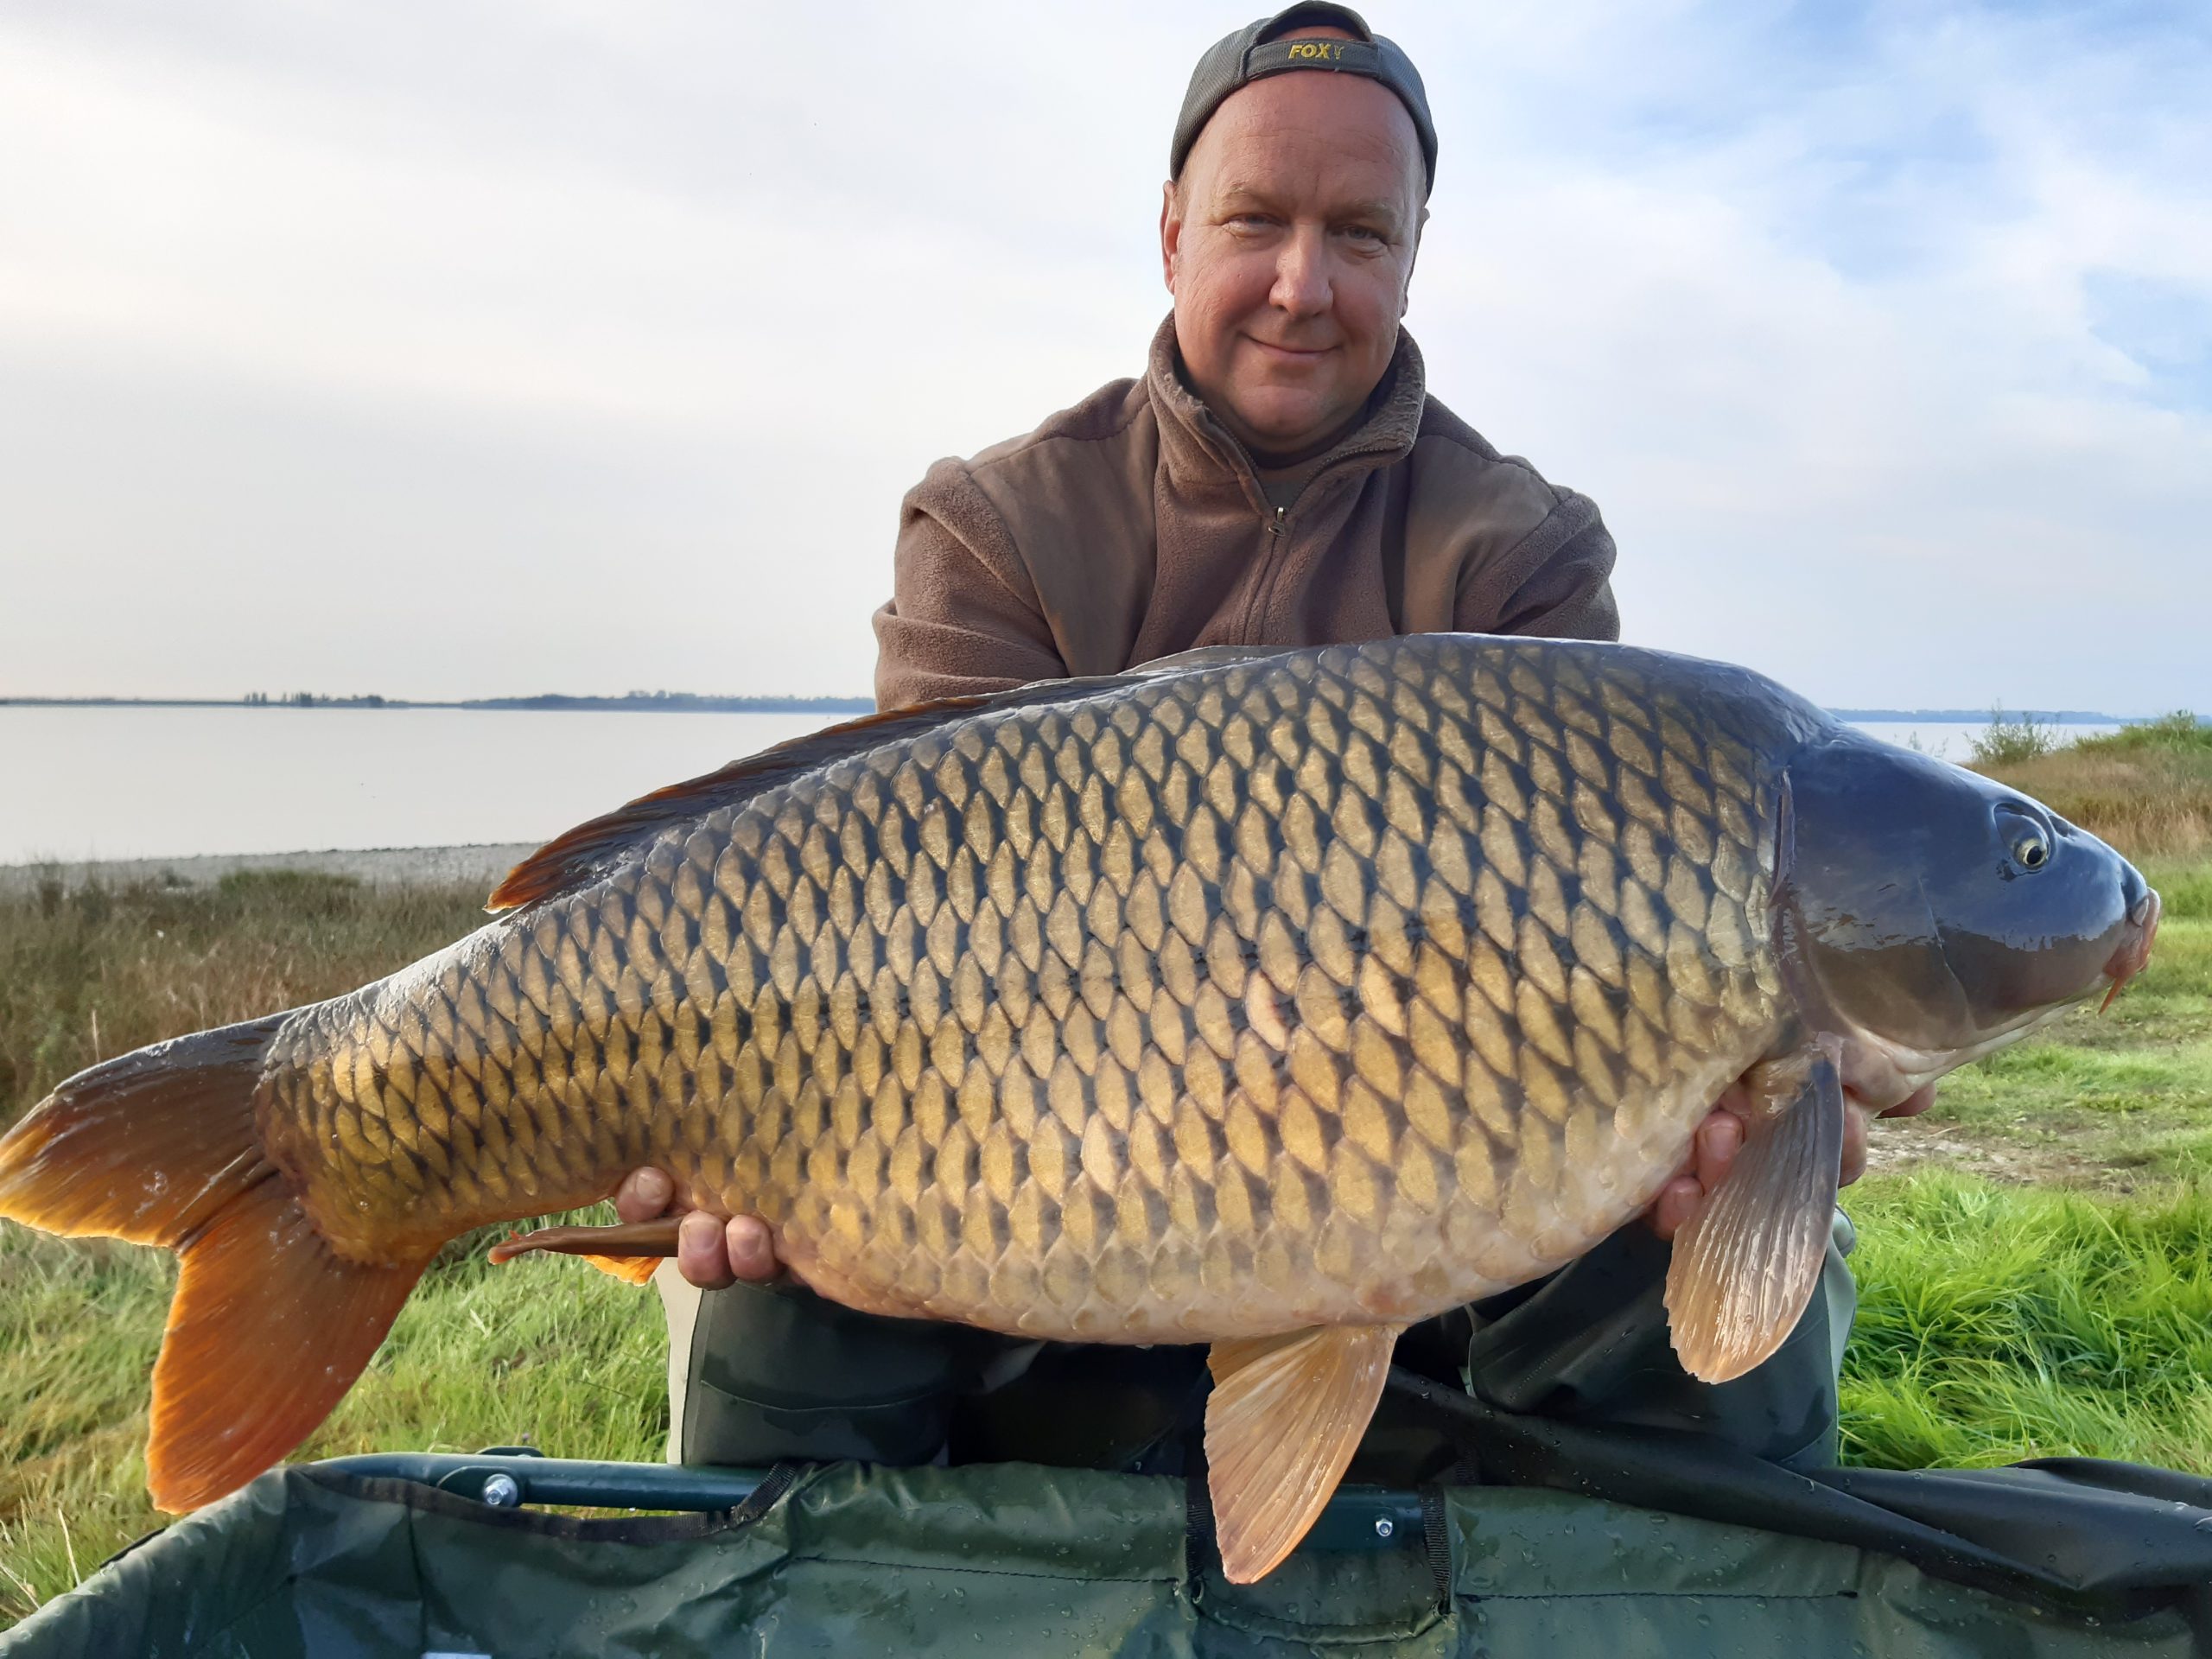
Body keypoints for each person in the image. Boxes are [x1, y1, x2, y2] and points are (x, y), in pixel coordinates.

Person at [615, 3, 1932, 1477]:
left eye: (1360, 234)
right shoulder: (1000, 528)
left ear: (1412, 256)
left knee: (1672, 1231)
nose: (1304, 286)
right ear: (1172, 231)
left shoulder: (1520, 555)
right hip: (1028, 1179)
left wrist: (1725, 1130)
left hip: (1426, 1199)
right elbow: (915, 917)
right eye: (1258, 220)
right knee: (784, 1285)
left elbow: (1592, 959)